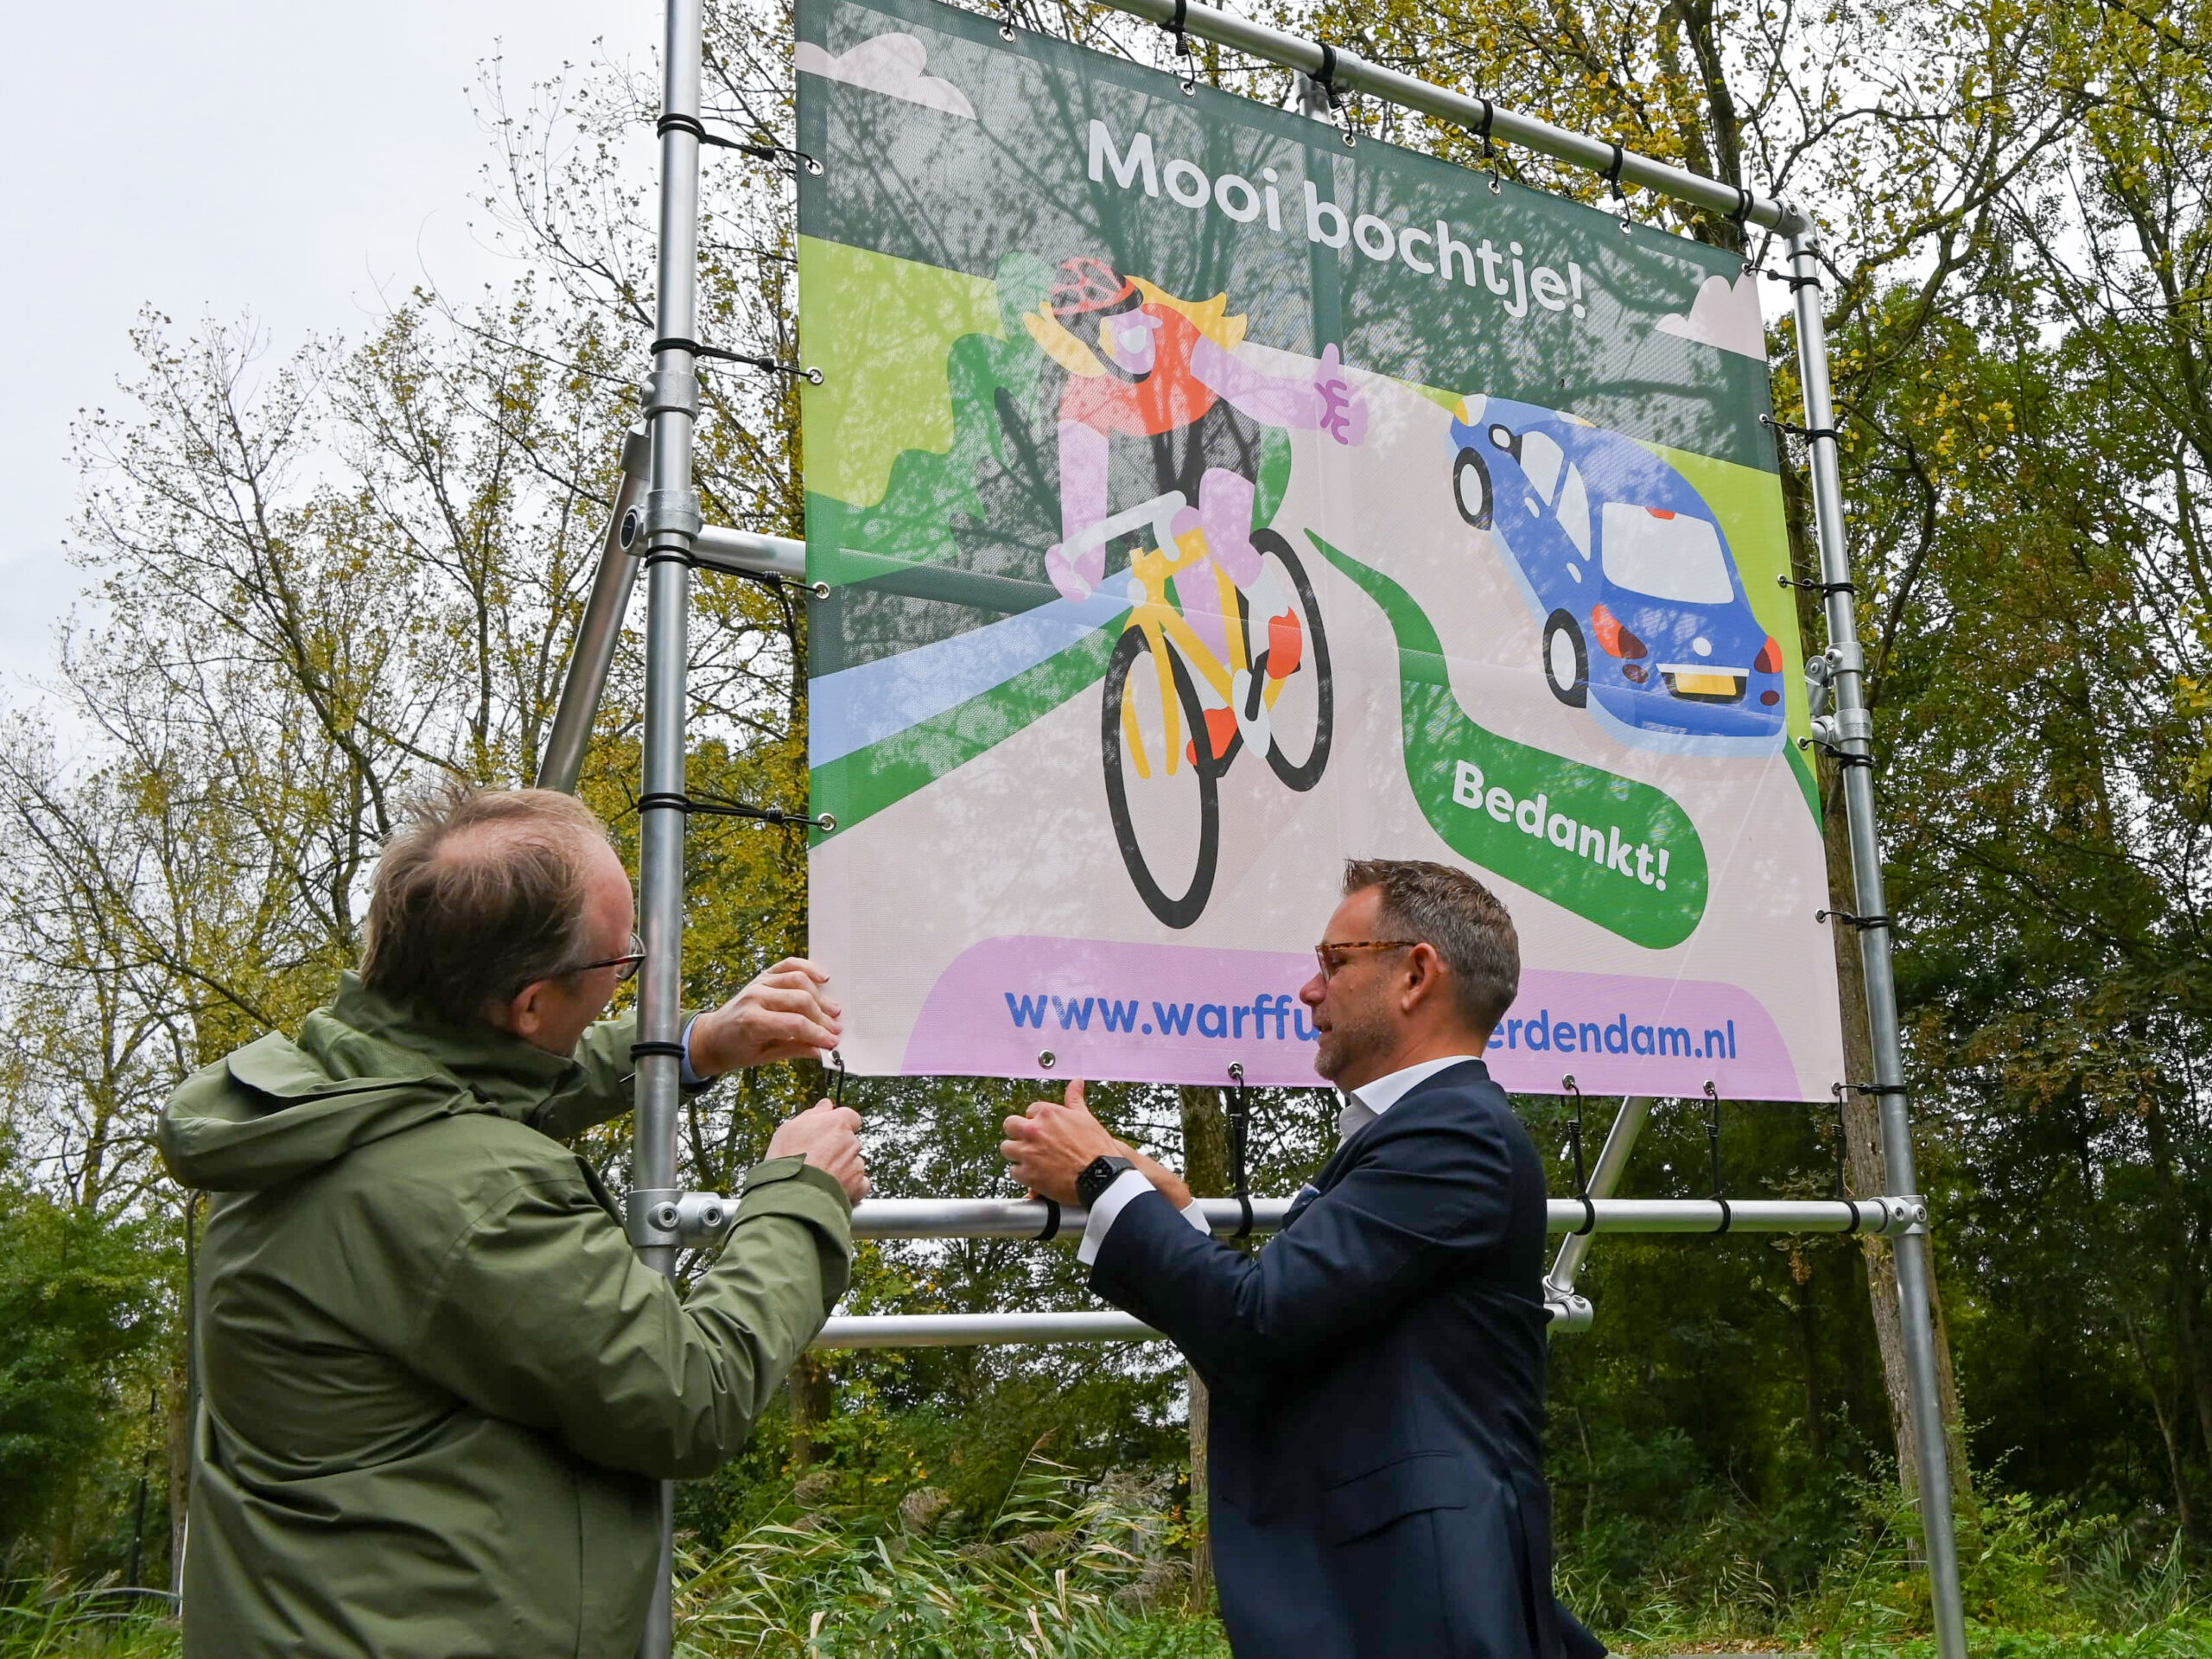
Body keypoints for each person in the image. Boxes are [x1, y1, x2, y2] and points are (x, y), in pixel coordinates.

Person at [158, 785, 867, 1659]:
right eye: (623, 962)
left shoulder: (324, 1095)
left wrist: (691, 1045)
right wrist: (798, 1195)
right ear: (530, 1005)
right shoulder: (478, 1197)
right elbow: (689, 1397)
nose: (627, 979)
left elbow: (467, 1085)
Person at [1001, 857, 1604, 1659]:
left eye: (1334, 961)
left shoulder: (1453, 1135)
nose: (1308, 991)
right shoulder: (1428, 1134)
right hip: (1397, 1596)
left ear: (1416, 974)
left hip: (1417, 1606)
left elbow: (1256, 1323)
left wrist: (1101, 1181)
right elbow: (1309, 1317)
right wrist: (1167, 1207)